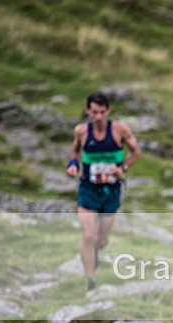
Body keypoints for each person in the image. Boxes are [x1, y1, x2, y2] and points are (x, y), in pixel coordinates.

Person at [67, 91, 140, 291]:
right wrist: (73, 164)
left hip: (111, 191)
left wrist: (122, 168)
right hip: (88, 190)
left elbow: (136, 152)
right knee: (88, 235)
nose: (98, 117)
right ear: (87, 112)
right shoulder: (81, 132)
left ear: (108, 111)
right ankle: (90, 279)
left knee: (101, 240)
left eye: (101, 112)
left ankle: (93, 255)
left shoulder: (120, 131)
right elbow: (75, 151)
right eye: (93, 112)